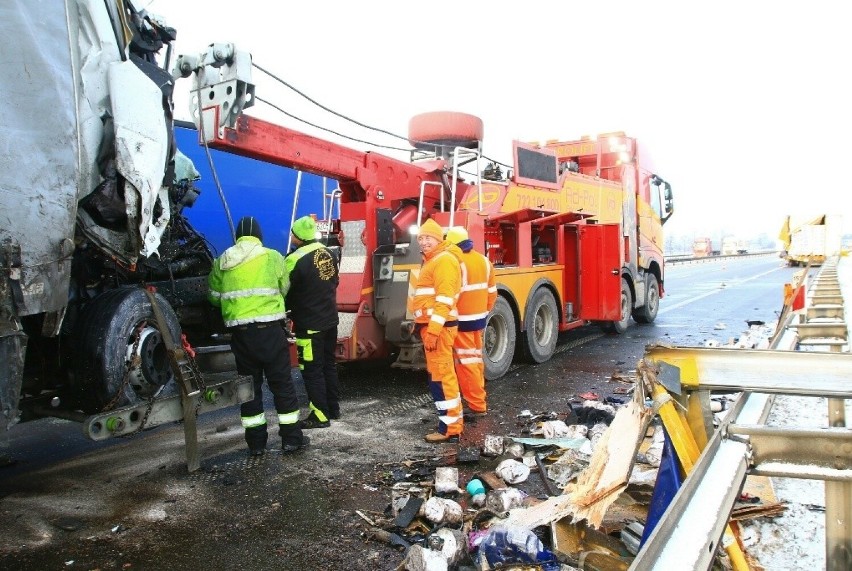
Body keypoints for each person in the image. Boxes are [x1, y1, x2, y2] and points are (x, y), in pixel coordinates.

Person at [208, 216, 308, 456]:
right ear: (259, 235)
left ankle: (256, 445)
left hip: (241, 337)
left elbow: (213, 296)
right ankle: (291, 440)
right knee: (282, 386)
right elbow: (284, 287)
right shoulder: (272, 256)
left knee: (249, 391)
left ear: (238, 236)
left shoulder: (222, 260)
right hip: (270, 332)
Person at [408, 218, 464, 443]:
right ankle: (448, 424)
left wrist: (433, 330)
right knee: (438, 377)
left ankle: (450, 429)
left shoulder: (443, 261)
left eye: (427, 237)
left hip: (438, 329)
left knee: (443, 377)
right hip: (434, 327)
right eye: (420, 238)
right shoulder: (434, 260)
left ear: (438, 238)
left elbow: (444, 299)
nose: (423, 242)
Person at [283, 216, 341, 429]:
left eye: (292, 234)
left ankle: (319, 415)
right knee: (328, 365)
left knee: (311, 369)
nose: (291, 237)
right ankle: (333, 410)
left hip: (309, 324)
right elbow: (335, 281)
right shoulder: (329, 253)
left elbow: (283, 290)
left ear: (298, 236)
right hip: (330, 320)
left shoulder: (294, 259)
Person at [445, 226, 497, 419]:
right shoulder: (484, 260)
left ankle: (476, 405)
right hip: (478, 320)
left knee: (466, 364)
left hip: (461, 322)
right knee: (475, 361)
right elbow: (492, 293)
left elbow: (452, 294)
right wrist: (483, 312)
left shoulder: (456, 262)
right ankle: (478, 400)